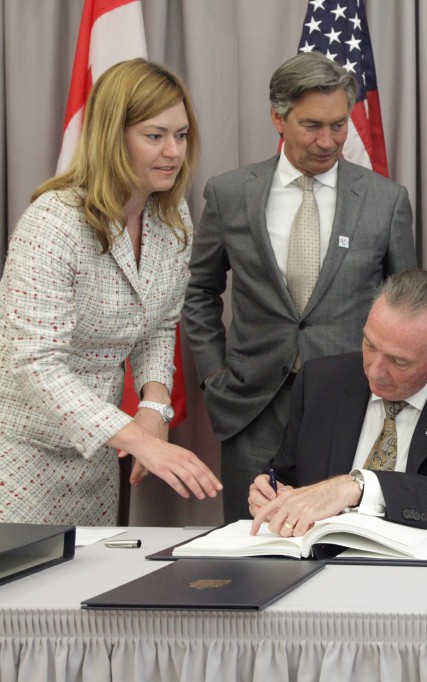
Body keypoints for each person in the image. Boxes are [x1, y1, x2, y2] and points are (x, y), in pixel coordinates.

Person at [184, 52, 416, 522]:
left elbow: (406, 305)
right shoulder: (230, 194)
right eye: (312, 125)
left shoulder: (385, 200)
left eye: (338, 124)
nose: (328, 141)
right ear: (278, 117)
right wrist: (214, 376)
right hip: (254, 408)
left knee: (347, 546)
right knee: (255, 547)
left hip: (352, 405)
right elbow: (199, 292)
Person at [0, 59, 222, 525]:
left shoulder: (171, 215)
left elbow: (159, 323)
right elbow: (34, 363)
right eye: (154, 135)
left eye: (181, 135)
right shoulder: (54, 222)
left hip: (98, 454)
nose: (173, 151)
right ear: (112, 136)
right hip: (20, 454)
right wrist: (138, 438)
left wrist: (153, 408)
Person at [248, 269, 427, 536]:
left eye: (399, 361)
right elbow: (286, 474)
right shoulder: (321, 382)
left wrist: (358, 486)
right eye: (370, 345)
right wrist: (271, 492)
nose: (375, 371)